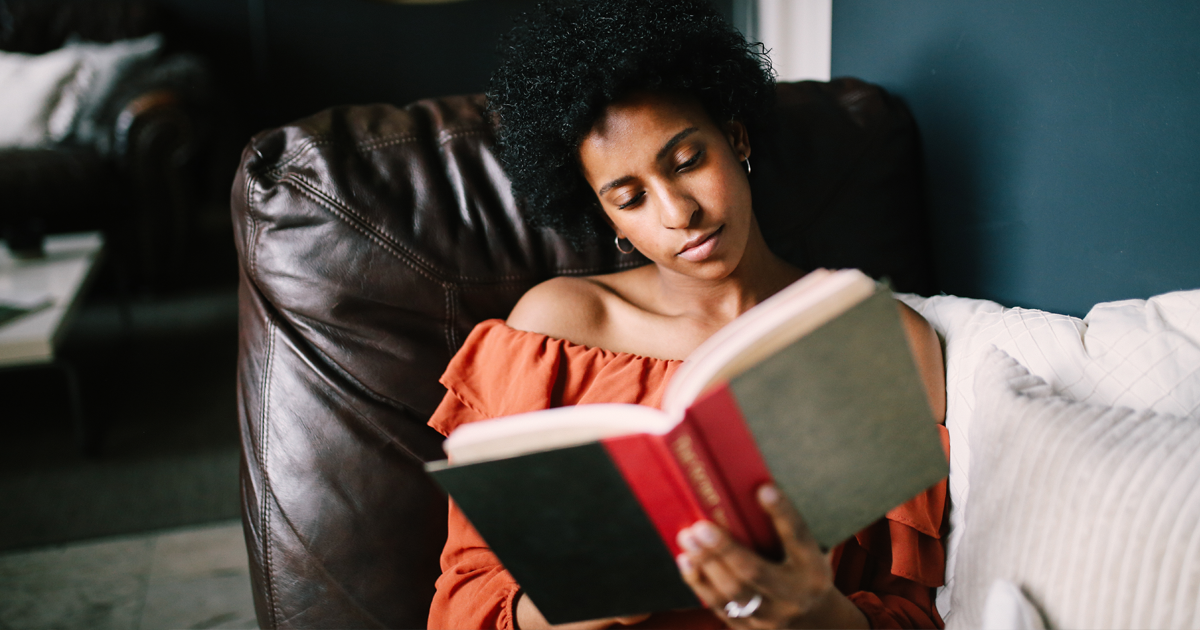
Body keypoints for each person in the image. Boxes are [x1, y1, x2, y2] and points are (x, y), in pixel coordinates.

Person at [426, 1, 949, 628]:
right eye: (631, 197)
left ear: (737, 138)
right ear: (607, 218)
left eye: (687, 162)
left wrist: (813, 610)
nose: (678, 213)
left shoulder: (884, 341)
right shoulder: (553, 332)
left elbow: (913, 610)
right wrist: (593, 603)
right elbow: (466, 600)